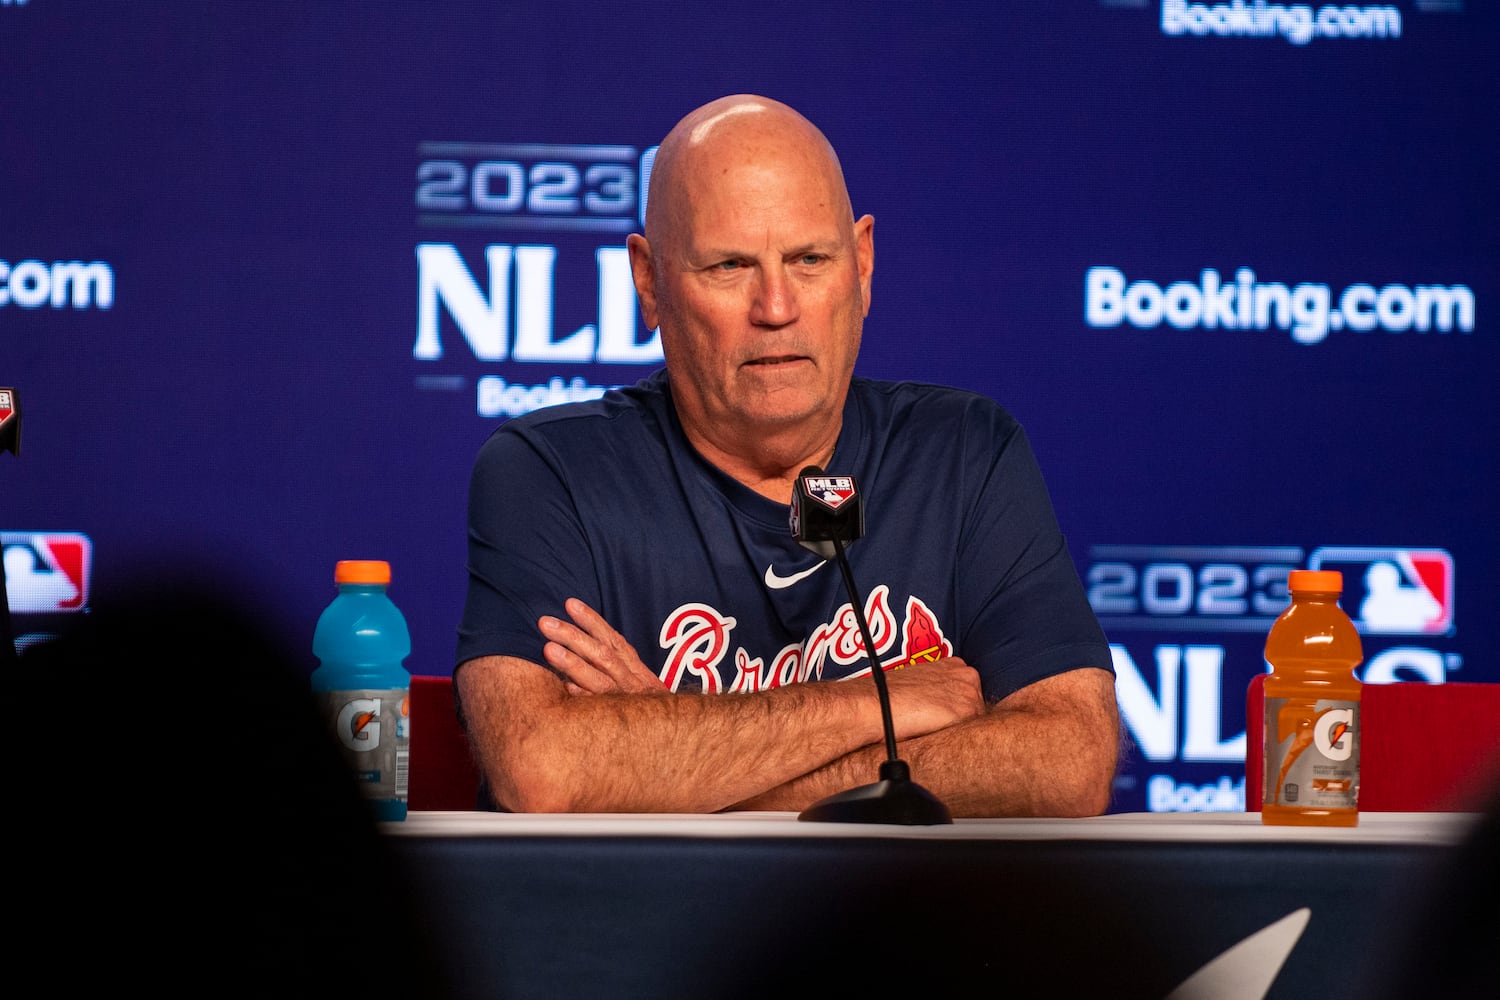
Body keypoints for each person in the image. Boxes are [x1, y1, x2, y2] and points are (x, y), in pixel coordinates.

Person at [454, 94, 1119, 817]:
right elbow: (544, 771)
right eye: (730, 265)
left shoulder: (963, 454)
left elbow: (1069, 763)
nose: (776, 307)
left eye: (809, 259)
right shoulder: (552, 473)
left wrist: (676, 761)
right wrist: (874, 704)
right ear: (648, 282)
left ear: (861, 264)